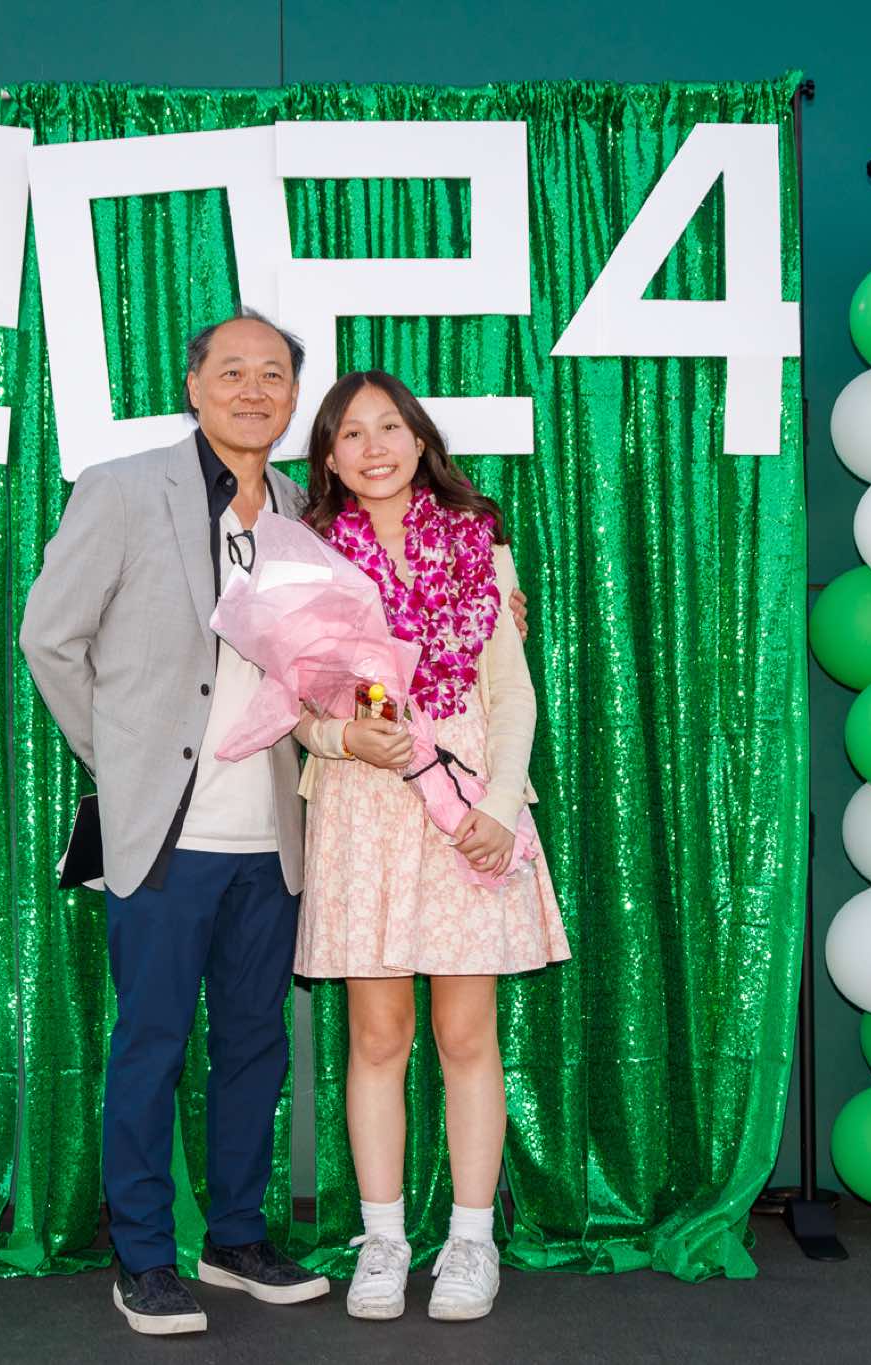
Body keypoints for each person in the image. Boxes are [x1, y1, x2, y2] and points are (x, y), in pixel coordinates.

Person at [20, 309, 329, 1335]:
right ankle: (144, 1257)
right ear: (193, 387)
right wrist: (122, 764)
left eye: (273, 374)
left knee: (255, 1046)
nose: (253, 390)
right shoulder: (122, 489)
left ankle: (235, 1237)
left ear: (293, 398)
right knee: (151, 1044)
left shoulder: (301, 513)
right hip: (164, 837)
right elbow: (49, 638)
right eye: (231, 371)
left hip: (272, 838)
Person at [291, 369, 569, 1324]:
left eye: (389, 427)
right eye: (351, 434)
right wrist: (342, 736)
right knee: (378, 1036)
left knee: (465, 1033)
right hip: (363, 806)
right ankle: (383, 1240)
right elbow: (292, 706)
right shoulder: (311, 558)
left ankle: (471, 1241)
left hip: (467, 805)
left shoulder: (479, 543)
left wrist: (500, 801)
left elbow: (513, 691)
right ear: (329, 459)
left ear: (419, 441)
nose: (373, 447)